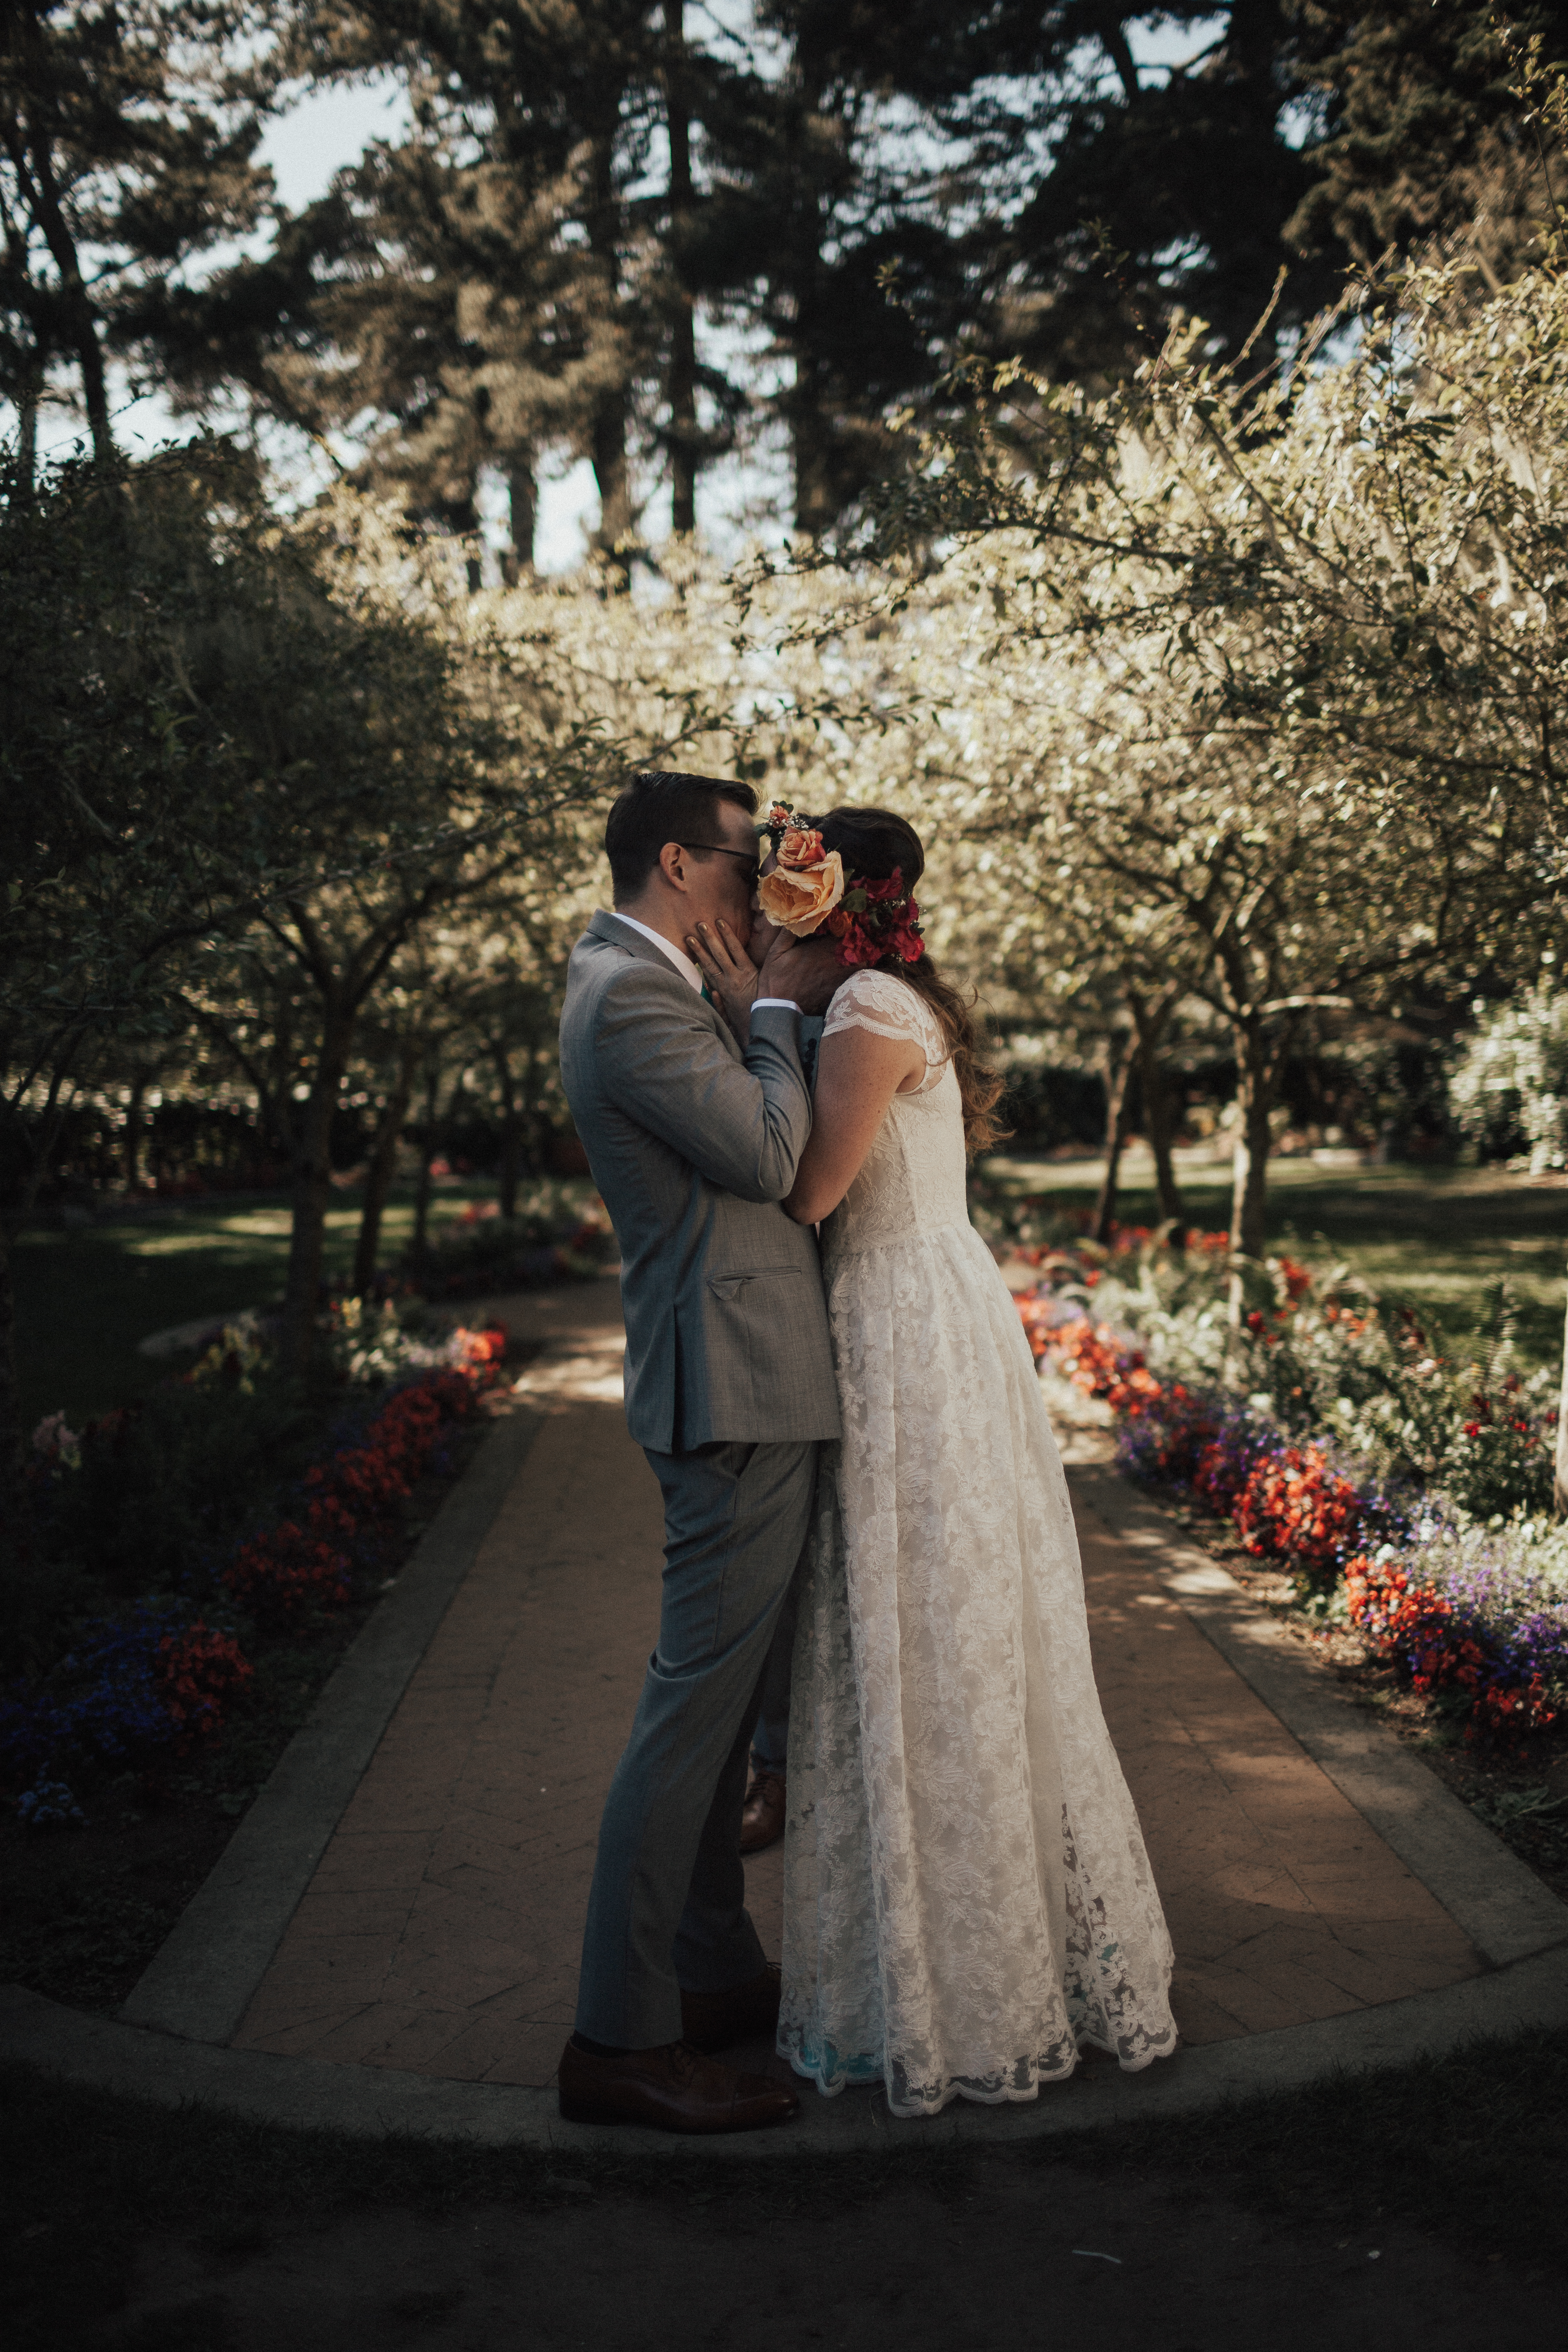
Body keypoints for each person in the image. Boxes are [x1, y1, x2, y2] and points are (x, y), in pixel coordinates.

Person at [690, 803, 1179, 2120]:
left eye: (785, 887)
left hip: (897, 1330)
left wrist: (769, 1016)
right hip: (921, 1313)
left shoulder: (863, 1017)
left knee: (921, 1637)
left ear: (828, 899)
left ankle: (958, 1984)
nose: (765, 906)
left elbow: (808, 1193)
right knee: (922, 1635)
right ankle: (942, 1964)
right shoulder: (891, 1002)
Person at [554, 768, 841, 2135]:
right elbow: (774, 1156)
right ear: (678, 862)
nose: (762, 890)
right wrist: (772, 1014)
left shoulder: (658, 987)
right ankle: (620, 2037)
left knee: (720, 1721)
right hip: (731, 1389)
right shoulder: (634, 999)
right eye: (746, 862)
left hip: (750, 1379)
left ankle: (713, 1979)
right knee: (688, 1725)